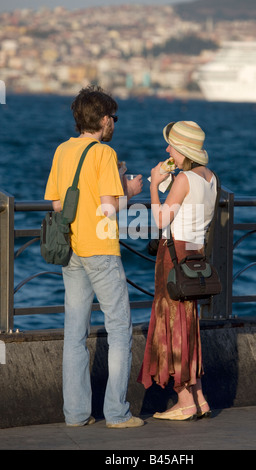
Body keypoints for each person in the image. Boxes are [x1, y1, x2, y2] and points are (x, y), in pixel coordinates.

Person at [44, 85, 144, 428]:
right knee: (119, 330)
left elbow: (57, 205)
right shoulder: (103, 154)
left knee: (74, 332)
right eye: (113, 118)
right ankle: (116, 413)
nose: (114, 123)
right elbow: (110, 207)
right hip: (100, 249)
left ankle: (75, 414)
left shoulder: (61, 150)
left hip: (70, 249)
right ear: (104, 120)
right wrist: (129, 189)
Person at [138, 121, 217, 421]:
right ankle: (199, 398)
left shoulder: (183, 179)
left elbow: (161, 220)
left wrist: (152, 185)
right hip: (195, 256)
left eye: (172, 145)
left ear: (183, 151)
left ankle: (184, 399)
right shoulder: (210, 178)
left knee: (170, 325)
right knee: (188, 324)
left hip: (174, 256)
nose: (167, 149)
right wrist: (164, 185)